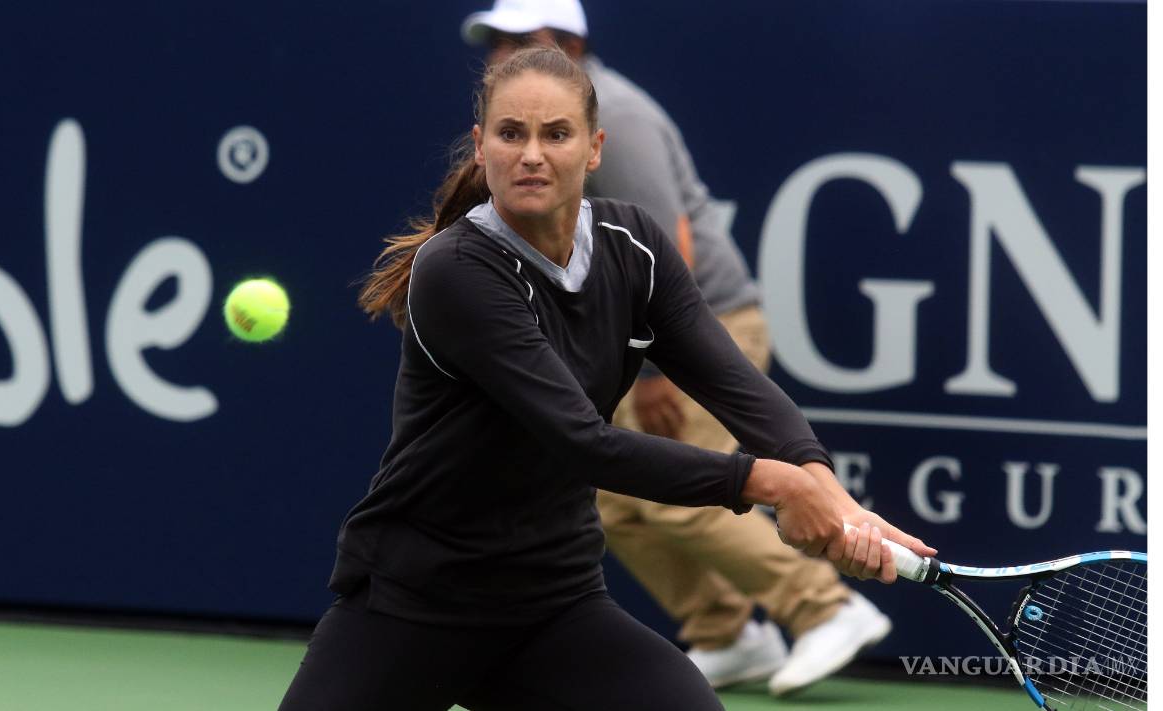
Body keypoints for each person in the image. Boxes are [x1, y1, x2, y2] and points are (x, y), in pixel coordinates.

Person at [279, 46, 932, 710]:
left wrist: (829, 492)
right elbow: (583, 440)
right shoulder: (456, 270)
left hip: (551, 608)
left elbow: (738, 386)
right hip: (413, 603)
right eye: (512, 133)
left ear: (594, 148)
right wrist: (769, 481)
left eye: (556, 134)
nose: (532, 153)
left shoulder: (635, 247)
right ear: (481, 147)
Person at [460, 0, 897, 695]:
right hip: (638, 332)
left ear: (567, 43)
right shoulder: (543, 125)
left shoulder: (617, 117)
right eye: (498, 41)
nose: (500, 54)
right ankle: (727, 630)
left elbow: (670, 248)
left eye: (519, 38)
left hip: (702, 324)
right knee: (612, 499)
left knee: (665, 496)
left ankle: (829, 608)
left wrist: (658, 371)